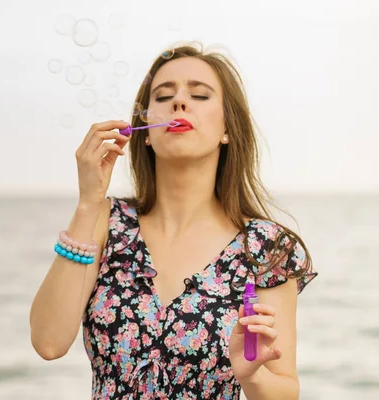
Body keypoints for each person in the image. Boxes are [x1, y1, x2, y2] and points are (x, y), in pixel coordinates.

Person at [29, 42, 318, 399]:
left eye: (199, 95)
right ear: (145, 132)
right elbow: (48, 342)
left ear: (227, 128)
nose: (180, 102)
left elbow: (286, 390)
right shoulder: (106, 221)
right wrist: (88, 203)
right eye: (164, 96)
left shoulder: (265, 247)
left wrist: (253, 377)